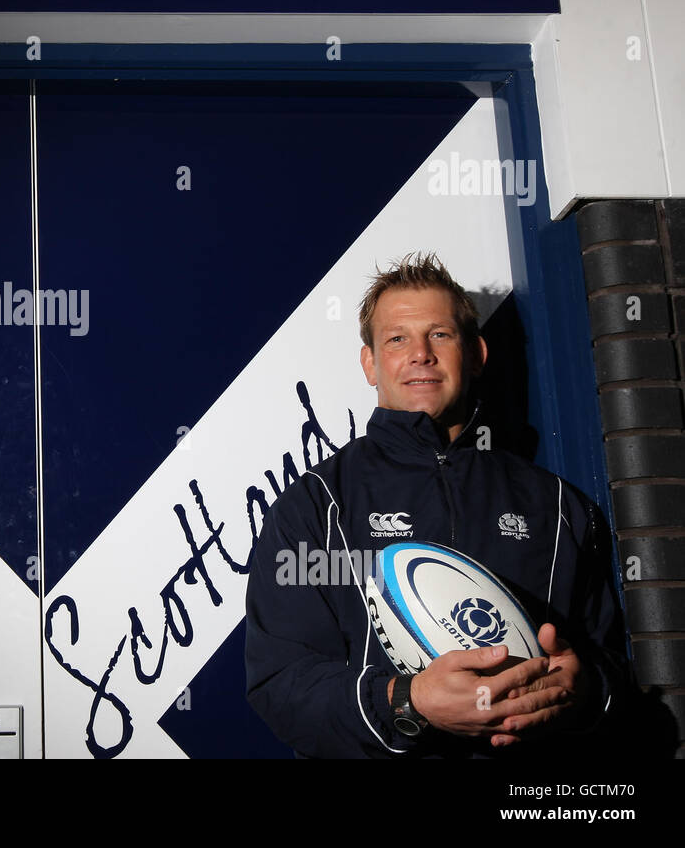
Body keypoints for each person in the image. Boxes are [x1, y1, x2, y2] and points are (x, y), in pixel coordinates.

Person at [243, 252, 631, 757]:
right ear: (370, 363)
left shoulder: (556, 506)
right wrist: (408, 701)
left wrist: (584, 693)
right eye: (397, 338)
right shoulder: (318, 506)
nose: (420, 353)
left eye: (441, 335)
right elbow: (281, 683)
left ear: (476, 354)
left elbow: (612, 669)